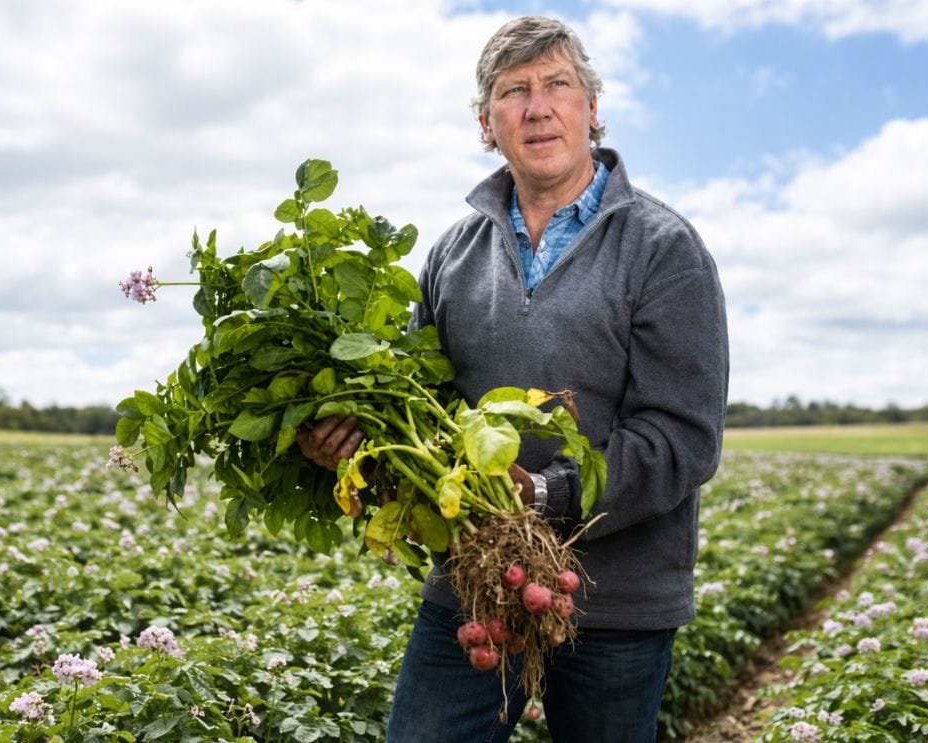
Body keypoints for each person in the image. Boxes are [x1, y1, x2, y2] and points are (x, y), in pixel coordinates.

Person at [298, 15, 728, 742]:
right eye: (513, 91)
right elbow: (420, 408)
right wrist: (356, 447)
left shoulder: (664, 249)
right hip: (470, 584)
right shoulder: (452, 253)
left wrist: (544, 491)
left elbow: (680, 439)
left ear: (593, 109)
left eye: (558, 85)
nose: (538, 107)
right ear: (486, 123)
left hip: (613, 602)